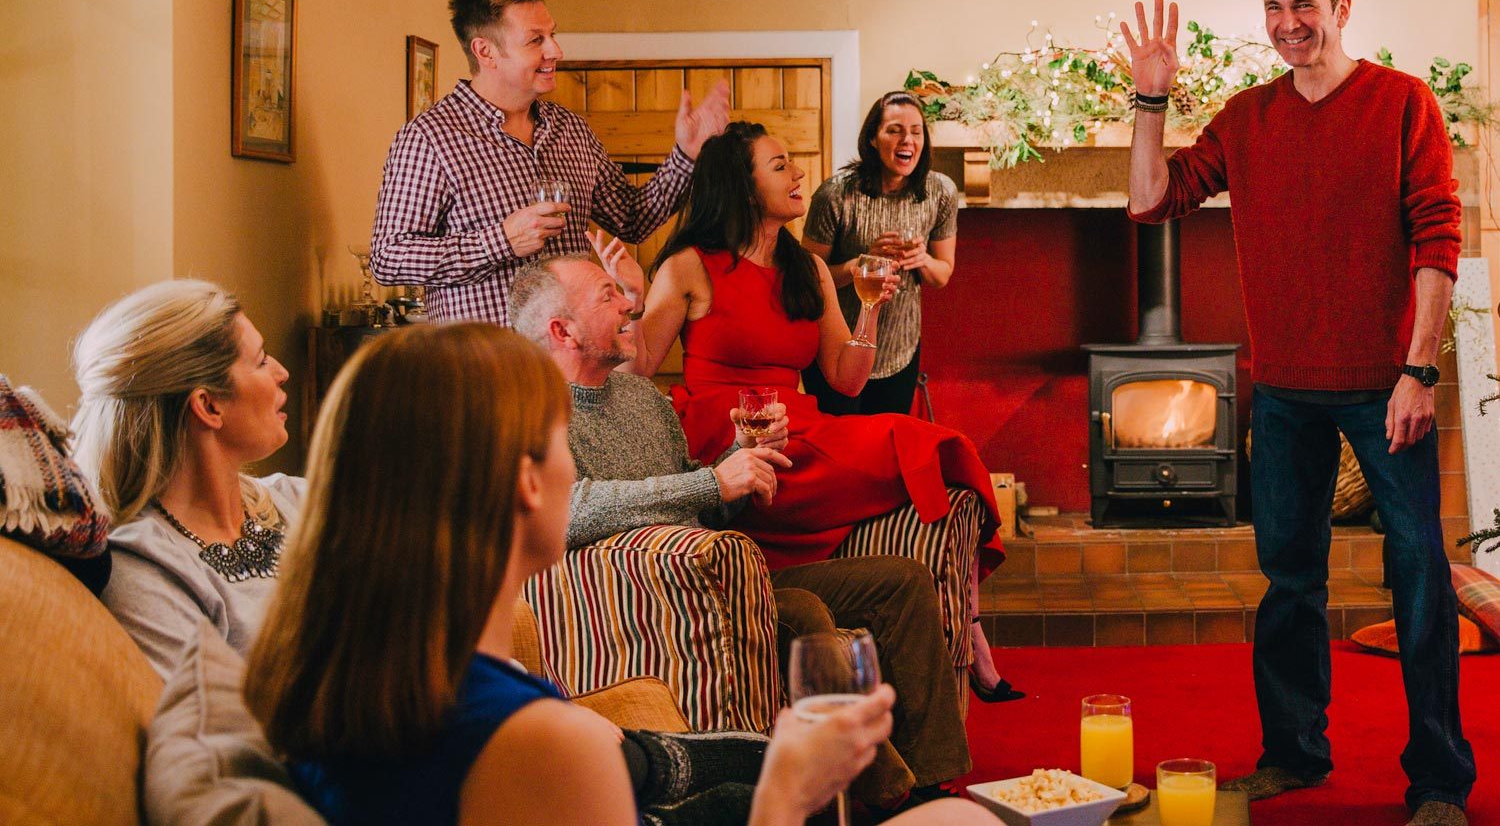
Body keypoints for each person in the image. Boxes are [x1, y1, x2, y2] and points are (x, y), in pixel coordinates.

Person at [244, 323, 989, 826]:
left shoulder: (361, 663)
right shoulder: (526, 740)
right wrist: (786, 796)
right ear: (526, 484)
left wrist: (768, 760)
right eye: (559, 439)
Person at [1121, 0, 1475, 826]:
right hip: (1283, 390)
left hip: (1384, 386)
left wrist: (1418, 369)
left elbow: (1438, 239)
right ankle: (1293, 753)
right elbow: (1148, 200)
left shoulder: (1401, 103)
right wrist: (1151, 100)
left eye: (1305, 6)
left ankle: (1439, 777)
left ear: (1343, 9)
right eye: (1275, 8)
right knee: (1289, 582)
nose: (1289, 25)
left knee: (1422, 575)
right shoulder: (1247, 118)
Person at [512, 252, 975, 810]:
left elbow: (698, 503)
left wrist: (745, 459)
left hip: (723, 576)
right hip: (652, 598)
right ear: (562, 330)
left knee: (899, 581)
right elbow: (572, 510)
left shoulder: (641, 398)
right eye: (607, 297)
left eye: (622, 292)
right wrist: (713, 483)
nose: (630, 304)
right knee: (801, 610)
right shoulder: (535, 409)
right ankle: (877, 794)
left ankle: (931, 781)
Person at [630, 121, 1019, 704]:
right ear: (741, 182)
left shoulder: (806, 269)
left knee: (939, 446)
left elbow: (845, 376)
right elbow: (635, 370)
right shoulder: (688, 265)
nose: (799, 174)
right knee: (920, 444)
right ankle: (966, 623)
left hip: (801, 422)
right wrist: (625, 298)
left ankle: (967, 619)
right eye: (780, 165)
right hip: (729, 433)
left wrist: (870, 310)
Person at [368, 0, 730, 325]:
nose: (556, 50)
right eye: (535, 40)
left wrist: (686, 155)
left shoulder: (570, 129)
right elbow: (388, 258)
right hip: (488, 370)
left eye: (552, 35)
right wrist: (501, 241)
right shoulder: (430, 137)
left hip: (573, 366)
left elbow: (632, 219)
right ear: (486, 51)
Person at [70, 280, 301, 677]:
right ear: (208, 406)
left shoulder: (297, 499)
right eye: (261, 361)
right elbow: (215, 729)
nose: (282, 372)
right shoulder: (145, 569)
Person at [801, 91, 958, 416]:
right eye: (895, 130)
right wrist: (859, 264)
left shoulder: (940, 192)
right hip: (835, 351)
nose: (908, 140)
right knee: (839, 452)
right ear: (872, 138)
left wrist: (922, 260)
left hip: (899, 349)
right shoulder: (836, 194)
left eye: (916, 131)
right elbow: (805, 278)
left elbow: (942, 273)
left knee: (885, 454)